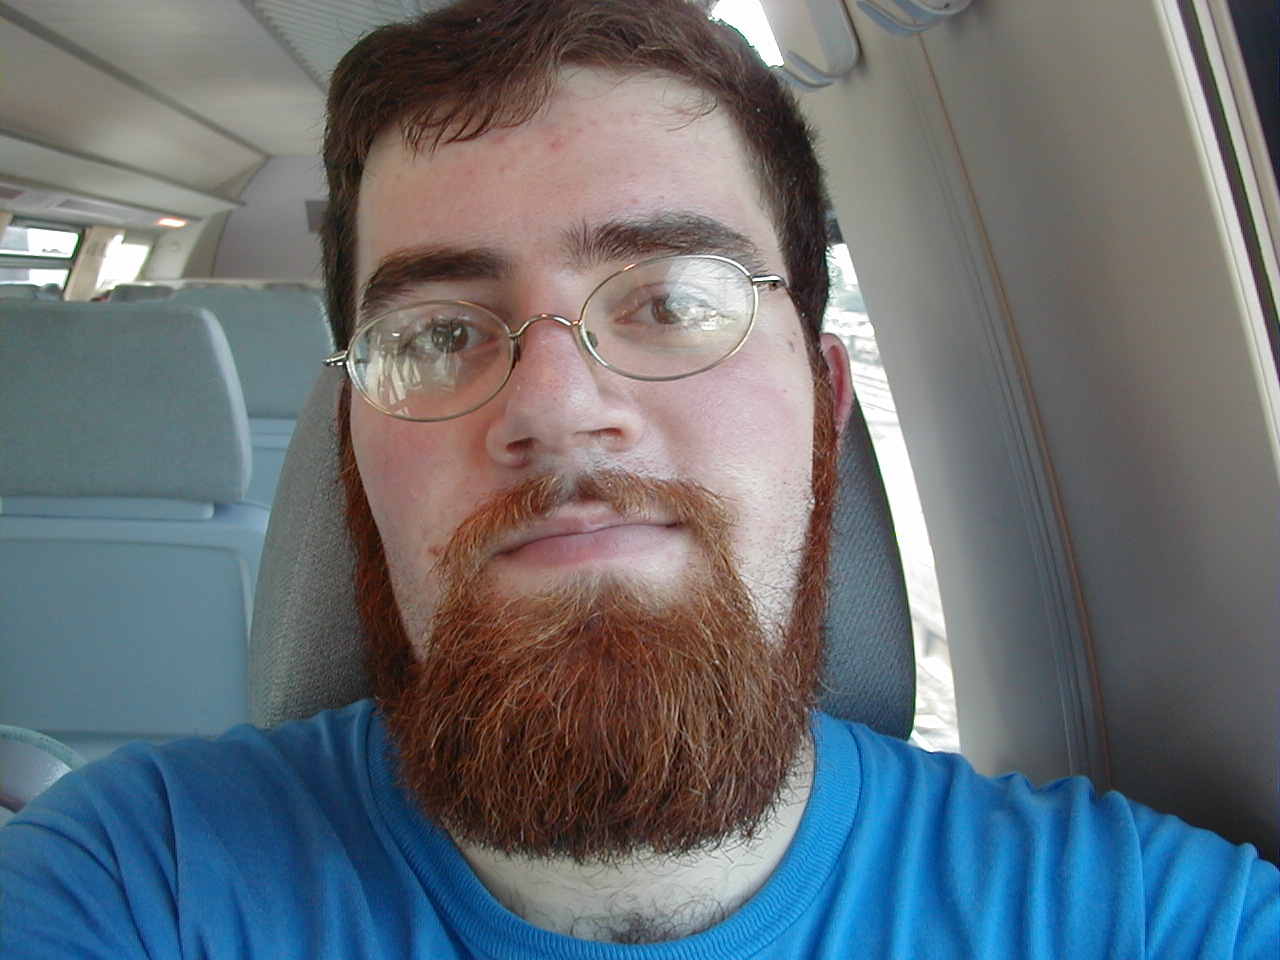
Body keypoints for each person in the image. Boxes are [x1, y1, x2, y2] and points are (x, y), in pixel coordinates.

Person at [1, 0, 1276, 956]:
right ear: (353, 453)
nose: (555, 410)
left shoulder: (1144, 919)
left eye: (671, 302)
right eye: (438, 333)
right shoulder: (128, 886)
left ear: (824, 406)